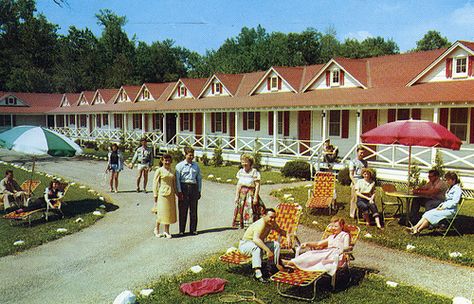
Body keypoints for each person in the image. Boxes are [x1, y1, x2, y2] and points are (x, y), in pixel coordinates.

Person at [282, 217, 350, 276]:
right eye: (332, 226)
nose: (333, 228)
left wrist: (344, 251)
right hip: (327, 253)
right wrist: (308, 243)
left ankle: (288, 263)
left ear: (342, 226)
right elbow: (318, 244)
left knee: (315, 256)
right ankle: (292, 263)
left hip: (336, 255)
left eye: (335, 226)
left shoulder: (344, 235)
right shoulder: (331, 237)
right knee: (309, 253)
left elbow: (346, 246)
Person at [238, 208, 286, 282]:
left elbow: (280, 231)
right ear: (264, 216)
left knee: (276, 244)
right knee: (257, 248)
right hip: (245, 245)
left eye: (274, 218)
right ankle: (257, 273)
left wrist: (288, 236)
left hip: (256, 243)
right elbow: (256, 239)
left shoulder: (271, 223)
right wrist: (268, 250)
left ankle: (272, 266)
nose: (273, 220)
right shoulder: (260, 224)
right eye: (271, 217)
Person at [175, 147, 202, 236]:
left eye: (192, 155)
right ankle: (181, 230)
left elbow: (199, 179)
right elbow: (177, 180)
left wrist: (199, 190)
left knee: (193, 210)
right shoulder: (179, 166)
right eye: (189, 155)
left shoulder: (196, 166)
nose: (191, 157)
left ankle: (193, 229)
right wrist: (179, 191)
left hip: (193, 187)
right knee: (183, 210)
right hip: (184, 187)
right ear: (185, 154)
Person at [232, 154, 263, 229]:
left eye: (246, 162)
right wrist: (236, 196)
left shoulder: (254, 172)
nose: (244, 164)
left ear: (250, 162)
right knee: (241, 210)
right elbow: (239, 185)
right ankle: (244, 227)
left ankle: (251, 227)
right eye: (242, 162)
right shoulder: (241, 172)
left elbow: (257, 185)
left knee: (250, 211)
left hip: (250, 194)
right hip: (242, 194)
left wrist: (255, 197)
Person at [152, 154, 177, 239]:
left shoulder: (173, 171)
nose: (167, 162)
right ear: (162, 161)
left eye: (169, 160)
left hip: (171, 194)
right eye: (165, 160)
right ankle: (157, 229)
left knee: (168, 213)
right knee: (161, 212)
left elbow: (175, 184)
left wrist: (178, 193)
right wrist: (155, 196)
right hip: (162, 194)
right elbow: (155, 184)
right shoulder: (159, 170)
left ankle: (166, 231)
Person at [349, 146, 368, 218]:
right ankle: (352, 214)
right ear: (357, 153)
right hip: (355, 181)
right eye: (361, 153)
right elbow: (351, 174)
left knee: (363, 198)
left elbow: (367, 173)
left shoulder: (365, 162)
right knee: (354, 198)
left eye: (363, 153)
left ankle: (361, 214)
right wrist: (355, 183)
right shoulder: (353, 162)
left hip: (363, 181)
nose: (362, 154)